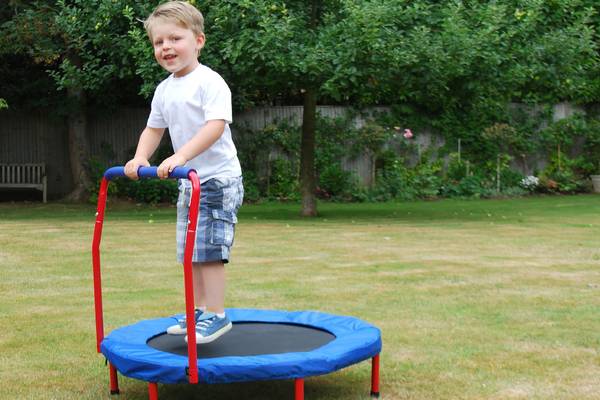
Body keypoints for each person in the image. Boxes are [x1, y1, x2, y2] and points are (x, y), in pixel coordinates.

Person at [124, 0, 243, 344]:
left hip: (218, 179)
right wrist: (140, 158)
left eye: (175, 39)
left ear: (198, 41)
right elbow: (153, 130)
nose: (166, 47)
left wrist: (180, 156)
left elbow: (215, 127)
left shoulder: (210, 82)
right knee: (190, 251)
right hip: (189, 183)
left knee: (208, 250)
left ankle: (217, 315)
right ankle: (199, 310)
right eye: (159, 43)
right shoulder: (164, 89)